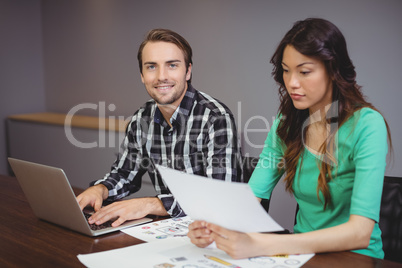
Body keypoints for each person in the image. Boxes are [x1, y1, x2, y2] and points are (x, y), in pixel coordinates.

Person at [187, 18, 392, 259]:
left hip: (356, 258)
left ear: (333, 70)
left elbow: (360, 232)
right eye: (286, 70)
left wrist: (263, 244)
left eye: (304, 71)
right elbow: (252, 195)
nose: (292, 82)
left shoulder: (367, 124)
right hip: (302, 255)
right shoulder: (287, 122)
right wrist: (211, 228)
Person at [77, 28, 242, 227]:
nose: (161, 76)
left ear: (188, 71)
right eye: (151, 67)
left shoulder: (215, 118)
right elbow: (124, 174)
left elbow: (219, 198)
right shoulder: (142, 118)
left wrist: (150, 204)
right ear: (142, 74)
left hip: (212, 232)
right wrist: (101, 189)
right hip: (166, 230)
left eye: (172, 65)